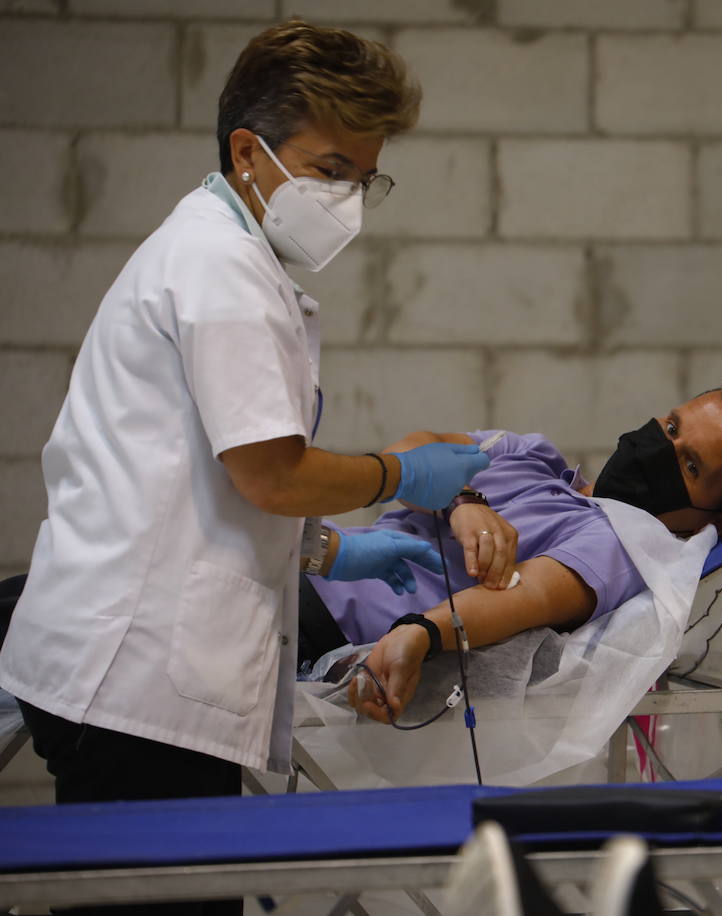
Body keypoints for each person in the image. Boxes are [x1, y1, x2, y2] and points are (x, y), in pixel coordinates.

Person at [0, 18, 488, 876]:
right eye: (331, 171)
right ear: (248, 151)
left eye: (364, 179)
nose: (347, 199)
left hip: (134, 665)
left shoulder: (222, 256)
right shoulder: (220, 268)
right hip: (133, 677)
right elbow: (269, 474)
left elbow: (185, 474)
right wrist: (400, 472)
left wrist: (329, 548)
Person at [306, 377, 722, 723]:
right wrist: (461, 501)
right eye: (672, 427)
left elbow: (527, 597)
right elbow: (414, 451)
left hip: (316, 623)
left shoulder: (621, 544)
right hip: (306, 556)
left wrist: (418, 633)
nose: (658, 447)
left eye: (690, 465)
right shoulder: (535, 456)